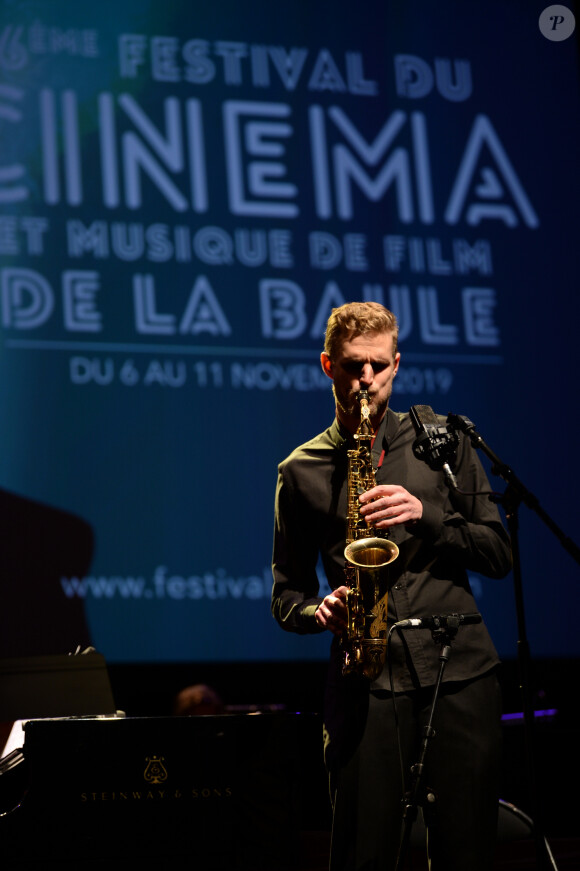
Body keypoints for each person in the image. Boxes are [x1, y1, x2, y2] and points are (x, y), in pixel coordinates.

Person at [271, 301, 512, 871]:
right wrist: (317, 612)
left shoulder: (443, 443)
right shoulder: (299, 470)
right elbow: (286, 594)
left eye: (379, 366)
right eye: (355, 366)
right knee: (362, 854)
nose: (367, 380)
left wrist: (426, 514)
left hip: (460, 676)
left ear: (397, 364)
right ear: (328, 365)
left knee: (468, 852)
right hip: (365, 682)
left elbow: (499, 553)